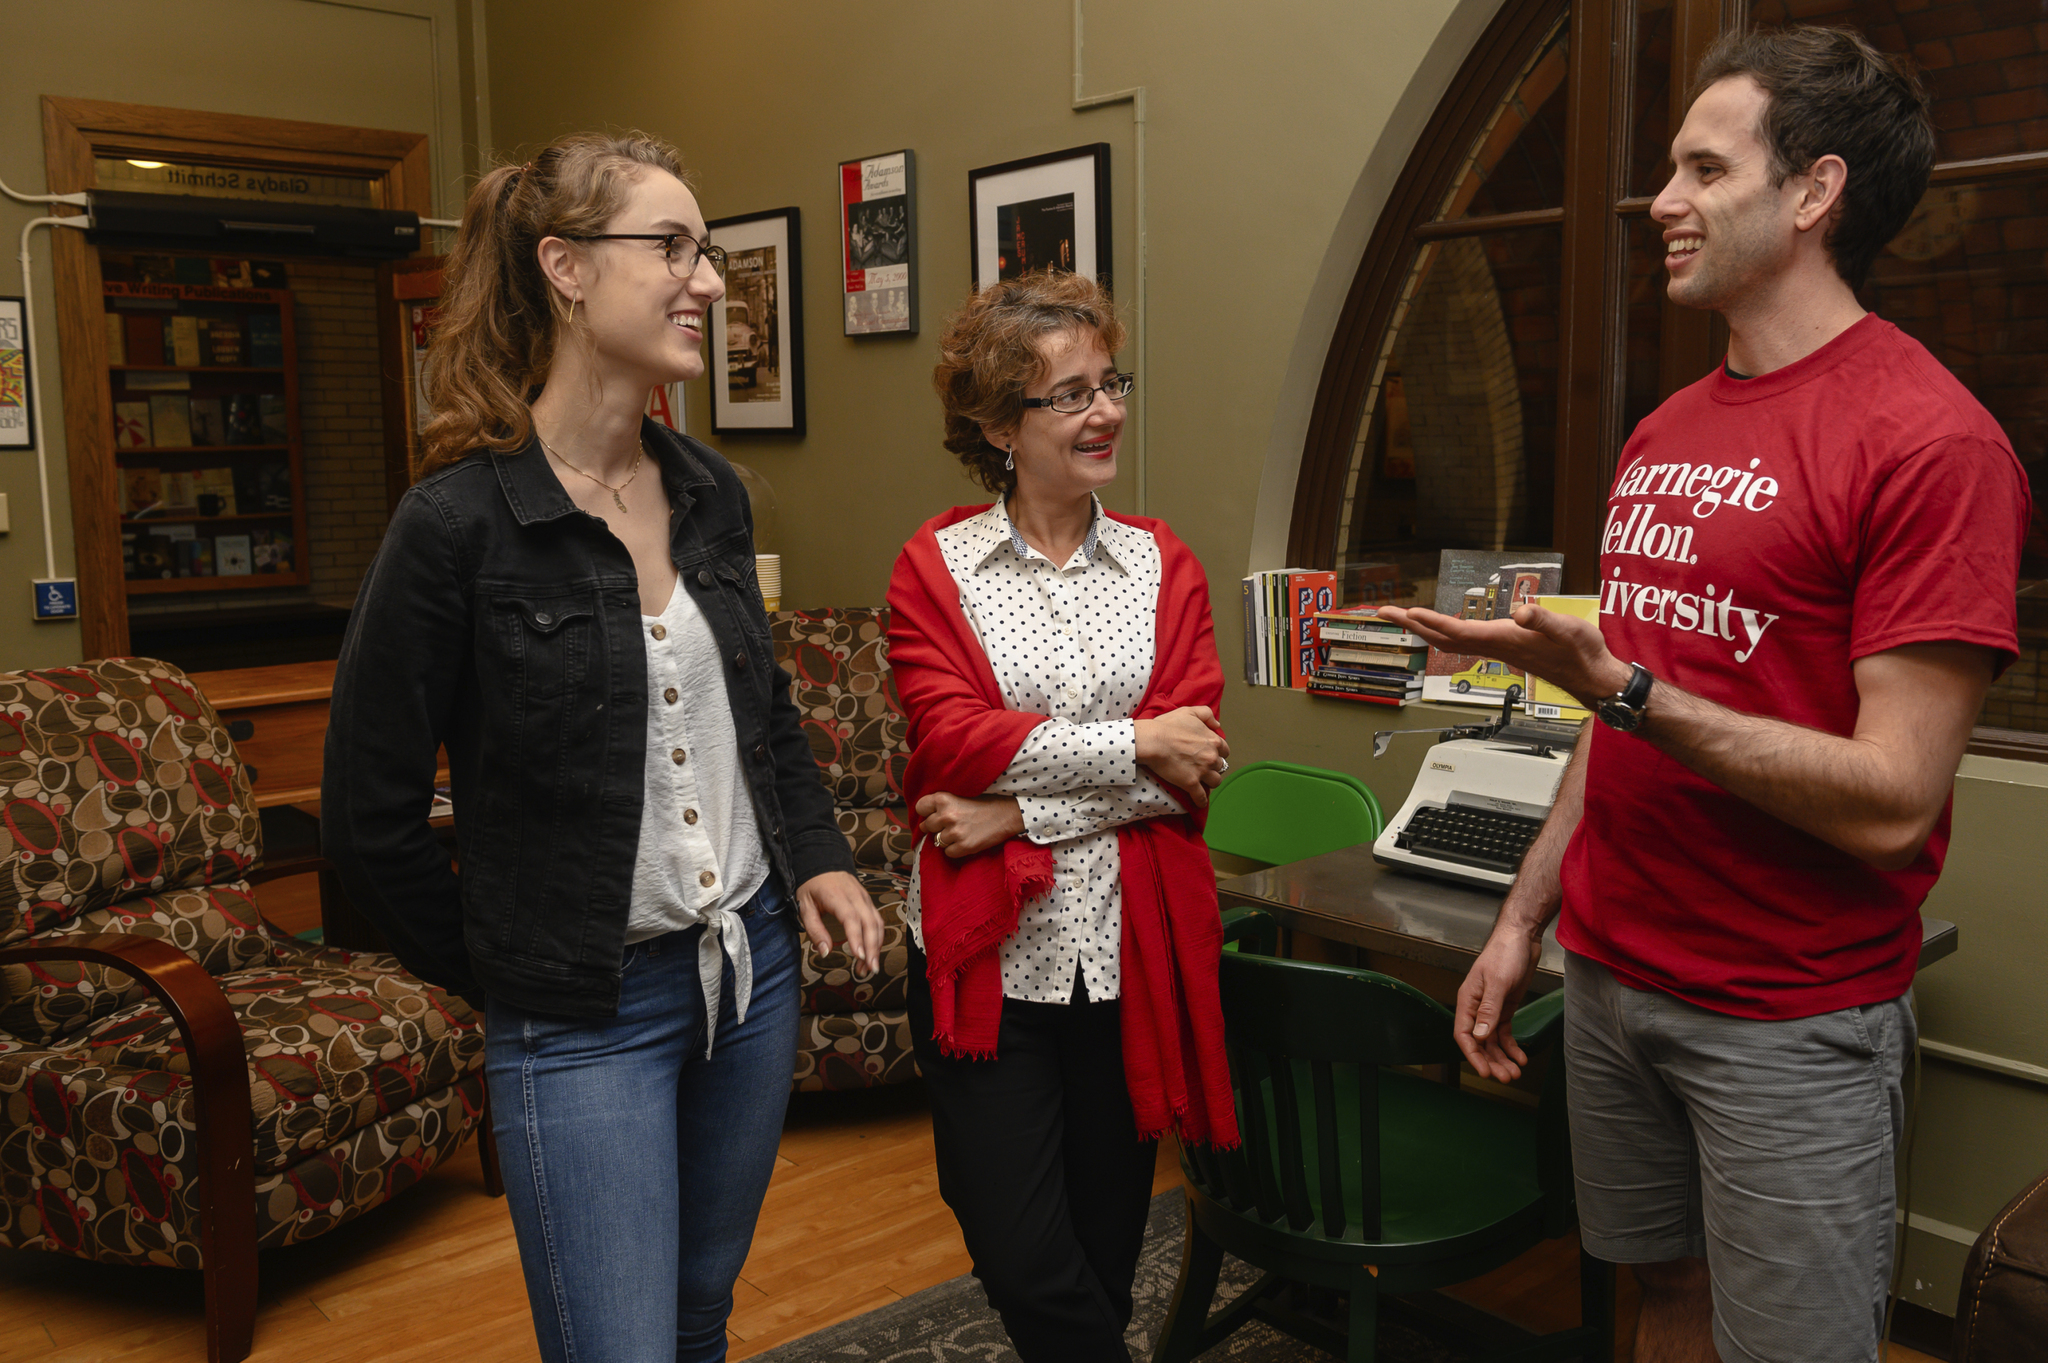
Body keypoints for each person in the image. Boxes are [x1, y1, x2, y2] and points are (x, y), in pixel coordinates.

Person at [1381, 27, 2030, 1363]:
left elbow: (1893, 802)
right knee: (1662, 1297)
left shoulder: (1933, 442)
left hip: (1785, 1013)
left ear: (1812, 193)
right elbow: (1612, 736)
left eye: (1699, 166)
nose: (1659, 200)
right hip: (1613, 974)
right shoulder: (1663, 431)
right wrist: (1521, 925)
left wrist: (1621, 686)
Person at [321, 132, 882, 1363]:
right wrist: (511, 967)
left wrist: (822, 858)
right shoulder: (457, 523)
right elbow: (365, 817)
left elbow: (761, 715)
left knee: (695, 1319)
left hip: (748, 976)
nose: (709, 279)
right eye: (671, 247)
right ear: (564, 267)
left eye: (709, 250)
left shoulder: (709, 493)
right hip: (583, 1022)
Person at [885, 269, 1240, 1362]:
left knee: (1102, 1241)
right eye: (1070, 393)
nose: (1106, 411)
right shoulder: (933, 568)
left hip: (1123, 954)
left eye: (1111, 382)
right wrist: (1136, 740)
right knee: (1015, 1243)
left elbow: (1200, 760)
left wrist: (1015, 817)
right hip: (989, 953)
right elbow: (951, 742)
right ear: (998, 424)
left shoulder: (1159, 561)